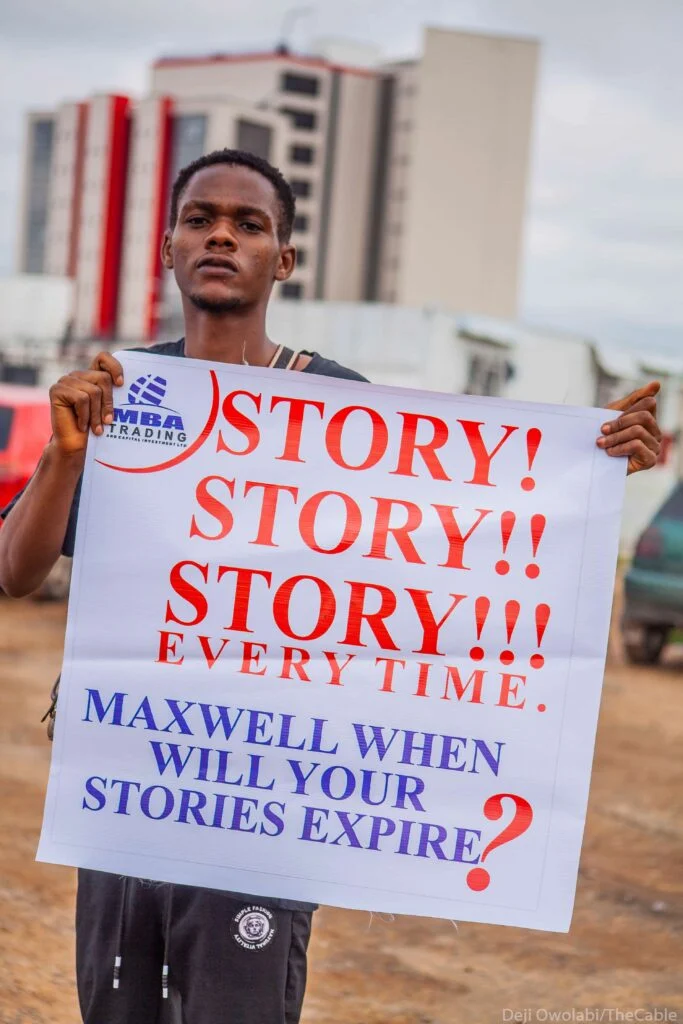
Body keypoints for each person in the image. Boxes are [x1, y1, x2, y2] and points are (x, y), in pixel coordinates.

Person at [0, 148, 662, 1024]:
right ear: (167, 245)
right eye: (201, 219)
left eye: (250, 224)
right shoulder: (123, 395)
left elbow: (463, 533)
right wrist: (65, 452)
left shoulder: (343, 409)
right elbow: (17, 573)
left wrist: (593, 466)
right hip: (131, 775)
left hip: (267, 797)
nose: (222, 236)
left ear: (285, 259)